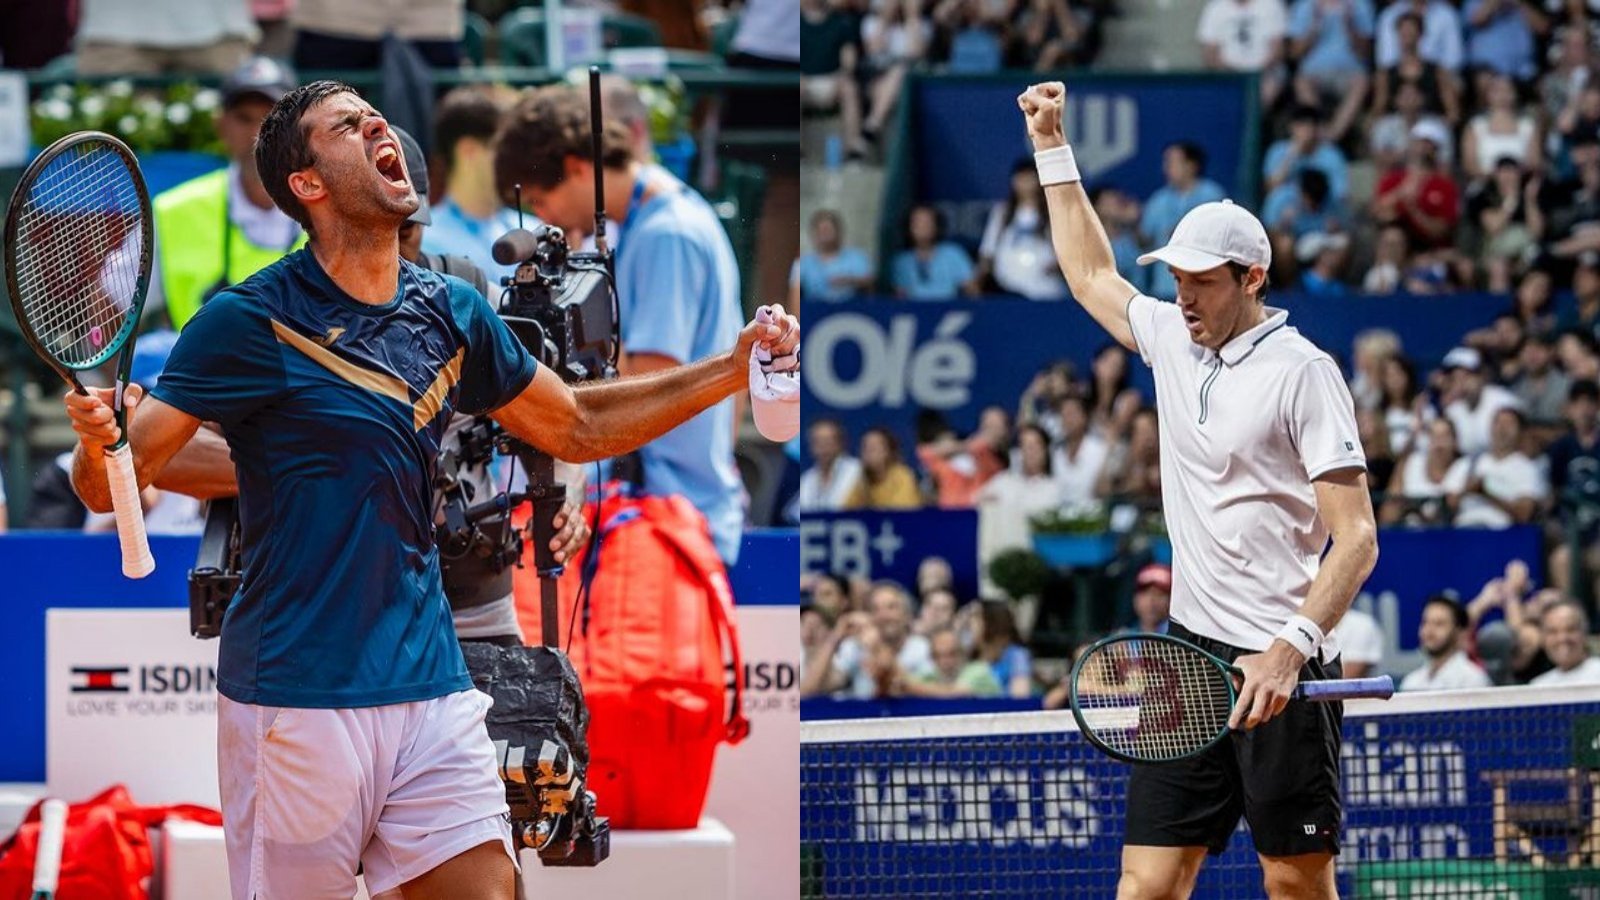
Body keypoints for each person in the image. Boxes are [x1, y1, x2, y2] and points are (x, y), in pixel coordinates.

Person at [62, 80, 800, 900]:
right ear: (307, 184)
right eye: (346, 125)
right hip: (295, 694)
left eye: (374, 114)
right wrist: (101, 447)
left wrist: (732, 371)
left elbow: (577, 424)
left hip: (431, 684)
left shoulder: (451, 309)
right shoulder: (248, 321)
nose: (378, 123)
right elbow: (115, 482)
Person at [1019, 80, 1379, 900]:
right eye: (1175, 277)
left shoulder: (1305, 375)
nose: (1182, 296)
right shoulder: (1173, 343)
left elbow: (1356, 538)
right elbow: (1087, 273)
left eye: (1203, 281)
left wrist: (1289, 649)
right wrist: (1052, 146)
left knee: (1292, 884)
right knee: (1146, 884)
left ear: (1252, 278)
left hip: (1279, 661)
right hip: (1187, 661)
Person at [494, 84, 748, 563]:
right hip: (666, 513)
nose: (545, 220)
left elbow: (646, 384)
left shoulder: (665, 235)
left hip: (672, 522)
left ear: (577, 169)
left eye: (543, 203)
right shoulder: (651, 221)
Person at [150, 56, 305, 331]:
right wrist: (111, 375)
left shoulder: (337, 204)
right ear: (220, 126)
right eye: (244, 118)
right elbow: (106, 304)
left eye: (272, 119)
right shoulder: (172, 210)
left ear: (299, 130)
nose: (258, 133)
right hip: (198, 374)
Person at [421, 87, 524, 294]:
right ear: (468, 149)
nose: (516, 158)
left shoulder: (532, 231)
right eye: (503, 147)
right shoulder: (424, 243)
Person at [1140, 142, 1227, 301]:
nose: (1166, 168)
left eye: (1172, 162)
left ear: (1191, 165)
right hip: (1163, 287)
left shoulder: (1212, 195)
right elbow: (1144, 241)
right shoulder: (1157, 200)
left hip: (1203, 285)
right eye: (1166, 163)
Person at [1449, 407, 1547, 528]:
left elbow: (1524, 514)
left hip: (1502, 535)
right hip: (1464, 532)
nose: (1502, 428)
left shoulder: (1527, 469)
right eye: (1497, 422)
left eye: (1508, 424)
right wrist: (1466, 490)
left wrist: (1486, 493)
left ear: (1520, 432)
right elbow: (1448, 506)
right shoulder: (1467, 464)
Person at [1398, 595, 1492, 690]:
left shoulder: (1473, 680)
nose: (1429, 631)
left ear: (1459, 633)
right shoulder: (1411, 682)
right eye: (1425, 623)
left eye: (1439, 624)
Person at [892, 203, 978, 299]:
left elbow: (972, 292)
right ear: (908, 227)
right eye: (917, 223)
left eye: (927, 222)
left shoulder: (953, 254)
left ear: (936, 225)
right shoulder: (901, 261)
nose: (922, 227)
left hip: (950, 311)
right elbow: (899, 299)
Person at [798, 418, 862, 511]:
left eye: (828, 441)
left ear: (841, 443)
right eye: (818, 442)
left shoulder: (858, 470)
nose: (823, 447)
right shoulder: (807, 478)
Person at [1529, 601, 1600, 686]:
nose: (1562, 638)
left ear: (1584, 633)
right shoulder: (1538, 686)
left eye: (1570, 629)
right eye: (1553, 632)